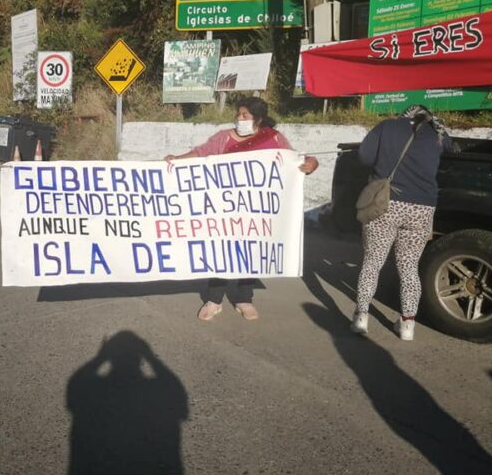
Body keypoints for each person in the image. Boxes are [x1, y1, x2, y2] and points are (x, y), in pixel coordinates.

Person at [164, 96, 319, 322]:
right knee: (221, 251)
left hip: (256, 208)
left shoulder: (273, 138)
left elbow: (294, 159)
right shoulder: (222, 138)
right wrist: (176, 159)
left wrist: (311, 163)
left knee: (251, 251)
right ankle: (214, 299)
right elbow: (201, 152)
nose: (239, 118)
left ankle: (245, 298)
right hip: (224, 208)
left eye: (245, 115)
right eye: (238, 114)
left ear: (258, 118)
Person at [351, 105, 454, 341]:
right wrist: (436, 125)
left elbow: (364, 157)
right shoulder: (436, 132)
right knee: (409, 267)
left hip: (386, 204)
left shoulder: (387, 127)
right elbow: (450, 147)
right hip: (422, 208)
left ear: (404, 115)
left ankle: (361, 316)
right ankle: (407, 324)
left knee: (372, 262)